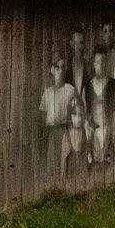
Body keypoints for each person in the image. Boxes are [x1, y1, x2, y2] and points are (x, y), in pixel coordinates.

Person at [38, 47, 75, 177]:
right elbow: (43, 116)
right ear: (52, 70)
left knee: (66, 166)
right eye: (57, 67)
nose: (60, 71)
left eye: (62, 67)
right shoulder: (47, 93)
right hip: (52, 135)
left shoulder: (70, 90)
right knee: (53, 167)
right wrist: (50, 122)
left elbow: (78, 115)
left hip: (66, 132)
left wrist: (67, 121)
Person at [60, 96, 90, 180]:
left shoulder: (85, 132)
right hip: (71, 174)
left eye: (80, 114)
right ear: (70, 115)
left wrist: (88, 132)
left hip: (84, 174)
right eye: (74, 114)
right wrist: (63, 178)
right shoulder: (67, 135)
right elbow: (63, 160)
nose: (78, 118)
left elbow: (90, 152)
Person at [83, 46, 115, 116]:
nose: (100, 66)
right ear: (94, 64)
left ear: (107, 63)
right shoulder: (87, 86)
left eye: (103, 62)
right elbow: (84, 113)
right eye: (97, 62)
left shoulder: (114, 85)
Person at [64, 29, 89, 106]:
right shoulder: (65, 67)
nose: (79, 47)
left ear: (84, 44)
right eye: (76, 43)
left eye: (81, 43)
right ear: (71, 44)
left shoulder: (89, 67)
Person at [88, 98, 112, 165]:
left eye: (102, 114)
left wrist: (109, 156)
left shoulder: (109, 130)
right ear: (95, 117)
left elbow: (111, 145)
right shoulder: (95, 132)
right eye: (98, 115)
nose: (101, 117)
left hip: (107, 162)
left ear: (105, 113)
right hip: (97, 163)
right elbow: (92, 147)